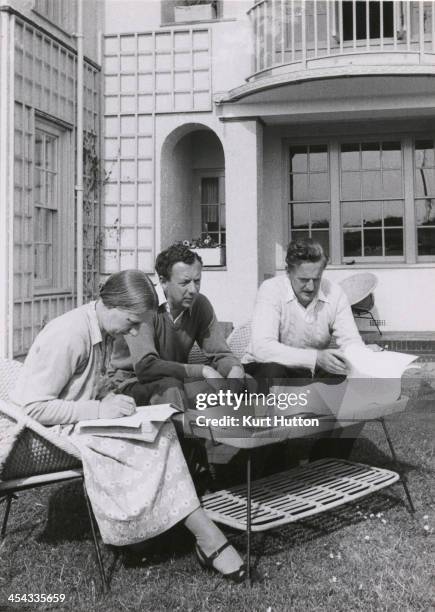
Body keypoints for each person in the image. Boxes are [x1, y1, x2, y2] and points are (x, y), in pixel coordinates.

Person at [9, 269, 246, 582]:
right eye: (132, 322)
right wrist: (99, 409)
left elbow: (84, 383)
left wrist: (109, 398)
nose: (134, 333)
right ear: (111, 306)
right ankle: (205, 538)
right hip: (47, 434)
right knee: (151, 440)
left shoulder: (100, 328)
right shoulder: (69, 334)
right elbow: (33, 408)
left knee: (160, 426)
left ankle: (161, 534)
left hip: (78, 419)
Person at [242, 237, 365, 459]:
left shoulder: (334, 292)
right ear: (288, 272)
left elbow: (351, 341)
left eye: (316, 279)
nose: (310, 287)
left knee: (357, 382)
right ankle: (268, 459)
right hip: (263, 371)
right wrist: (316, 358)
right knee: (274, 371)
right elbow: (262, 348)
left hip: (306, 371)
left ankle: (327, 461)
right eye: (303, 280)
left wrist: (362, 357)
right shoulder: (271, 289)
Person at [109, 244, 246, 411]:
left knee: (246, 383)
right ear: (163, 281)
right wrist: (203, 370)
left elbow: (221, 354)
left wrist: (235, 371)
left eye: (197, 281)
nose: (193, 289)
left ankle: (223, 436)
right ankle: (188, 437)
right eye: (185, 282)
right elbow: (146, 367)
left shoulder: (199, 304)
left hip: (177, 380)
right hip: (130, 383)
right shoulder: (143, 306)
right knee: (171, 389)